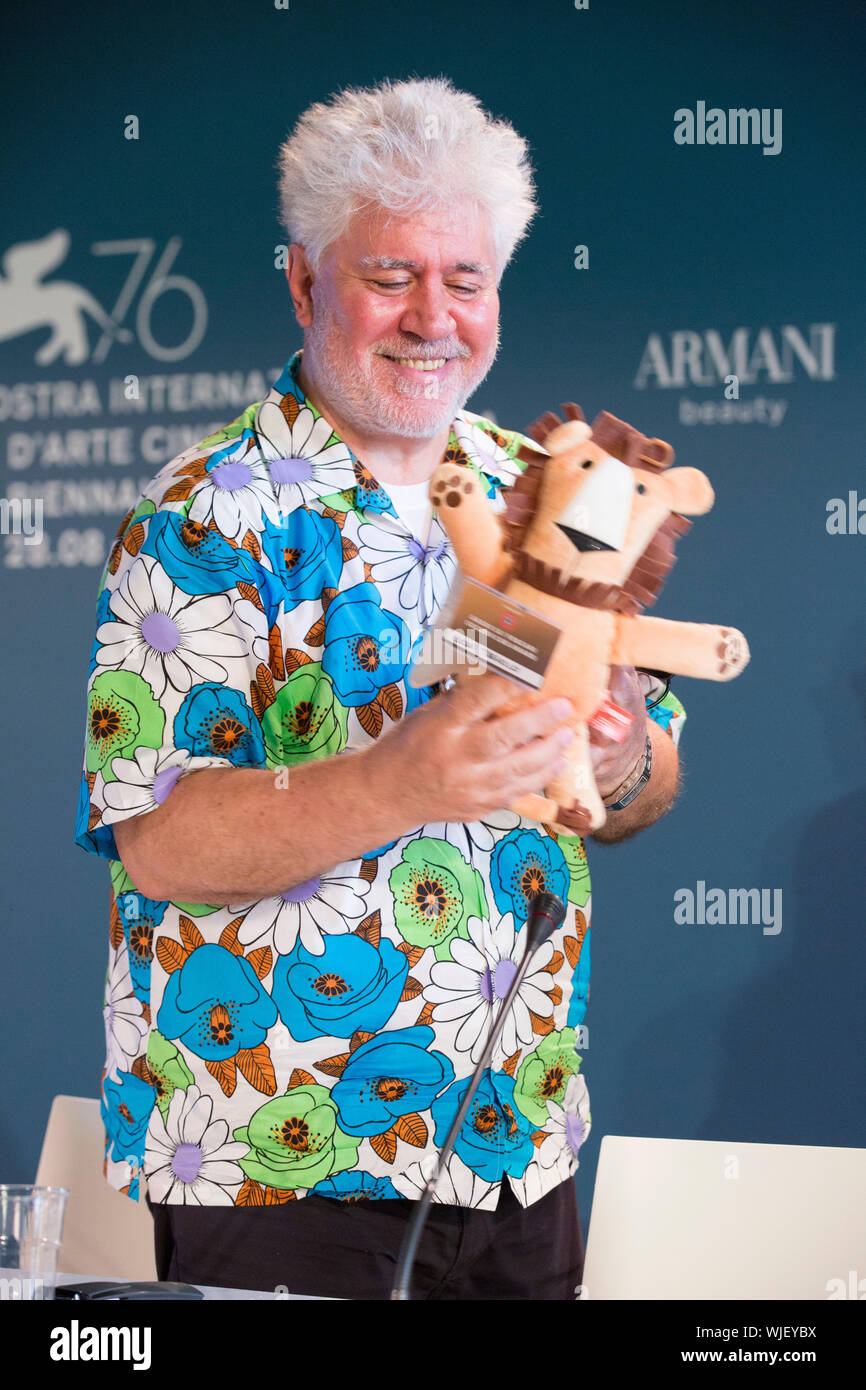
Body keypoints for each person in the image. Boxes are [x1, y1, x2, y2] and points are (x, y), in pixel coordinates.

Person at [74, 76, 686, 1300]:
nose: (432, 317)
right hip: (286, 1165)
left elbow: (646, 781)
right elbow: (158, 842)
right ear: (304, 284)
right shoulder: (199, 517)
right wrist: (395, 779)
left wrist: (618, 758)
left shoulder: (550, 490)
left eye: (463, 280)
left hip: (519, 1149)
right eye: (389, 276)